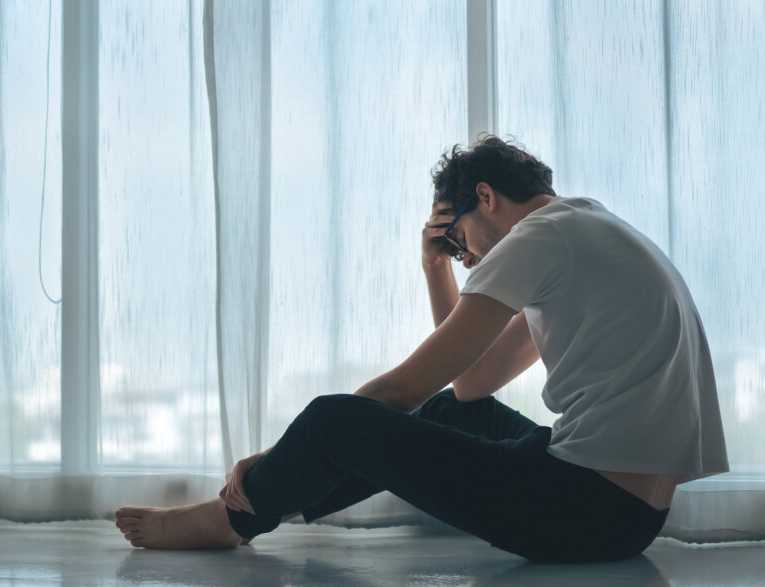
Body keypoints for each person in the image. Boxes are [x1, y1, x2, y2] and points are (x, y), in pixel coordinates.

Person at [114, 135, 729, 563]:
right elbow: (471, 383)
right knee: (451, 414)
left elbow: (404, 389)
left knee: (337, 418)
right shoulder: (584, 228)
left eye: (461, 241)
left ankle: (235, 512)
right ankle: (269, 499)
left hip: (585, 509)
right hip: (633, 518)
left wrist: (270, 455)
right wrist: (435, 268)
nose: (470, 259)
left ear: (485, 197)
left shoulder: (539, 240)